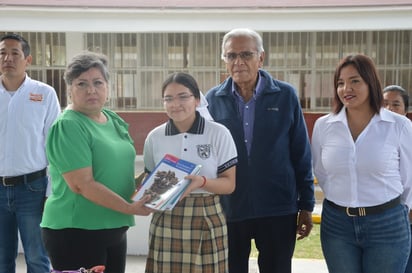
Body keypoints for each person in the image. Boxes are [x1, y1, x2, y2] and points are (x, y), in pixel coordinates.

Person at [205, 28, 315, 273]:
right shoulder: (212, 100)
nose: (238, 62)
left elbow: (301, 152)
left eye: (246, 54)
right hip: (230, 208)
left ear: (261, 57)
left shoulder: (285, 95)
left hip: (278, 208)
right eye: (231, 56)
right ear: (224, 60)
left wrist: (306, 204)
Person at [40, 51, 152, 273]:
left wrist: (146, 182)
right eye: (81, 84)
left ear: (108, 87)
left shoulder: (112, 119)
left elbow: (113, 171)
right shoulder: (69, 125)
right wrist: (130, 207)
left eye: (98, 82)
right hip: (76, 231)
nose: (91, 89)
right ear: (70, 90)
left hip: (113, 226)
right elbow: (82, 184)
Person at [311, 54, 412, 273]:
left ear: (371, 83)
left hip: (387, 224)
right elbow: (322, 171)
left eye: (355, 81)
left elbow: (409, 178)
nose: (346, 88)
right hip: (337, 225)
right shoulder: (323, 126)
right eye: (340, 83)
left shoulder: (399, 126)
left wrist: (401, 209)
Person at [143, 72, 238, 273]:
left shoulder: (218, 133)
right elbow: (150, 179)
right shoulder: (155, 137)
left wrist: (201, 182)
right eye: (168, 98)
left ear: (196, 100)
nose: (175, 103)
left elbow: (229, 184)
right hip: (166, 216)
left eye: (183, 96)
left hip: (207, 213)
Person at [0, 33, 60, 273]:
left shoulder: (45, 94)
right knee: (2, 260)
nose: (8, 58)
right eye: (3, 53)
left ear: (28, 59)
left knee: (37, 258)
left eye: (15, 53)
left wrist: (51, 192)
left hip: (33, 189)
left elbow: (54, 147)